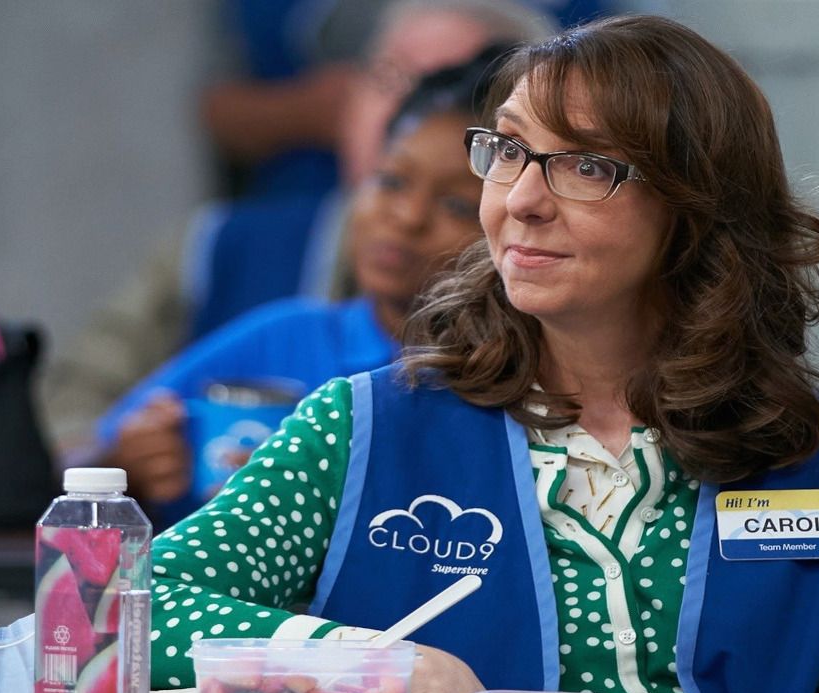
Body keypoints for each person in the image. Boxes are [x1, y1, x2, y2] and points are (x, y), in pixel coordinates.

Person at [145, 15, 819, 693]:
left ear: (698, 210)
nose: (520, 198)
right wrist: (369, 663)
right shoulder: (366, 428)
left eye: (585, 165)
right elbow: (128, 607)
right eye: (509, 150)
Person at [37, 0, 556, 454]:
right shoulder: (220, 252)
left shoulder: (553, 353)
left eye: (460, 80)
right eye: (390, 76)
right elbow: (80, 423)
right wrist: (126, 462)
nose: (411, 109)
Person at [88, 50, 502, 528]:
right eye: (390, 181)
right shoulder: (287, 335)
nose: (406, 218)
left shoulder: (510, 377)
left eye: (454, 204)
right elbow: (77, 469)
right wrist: (129, 463)